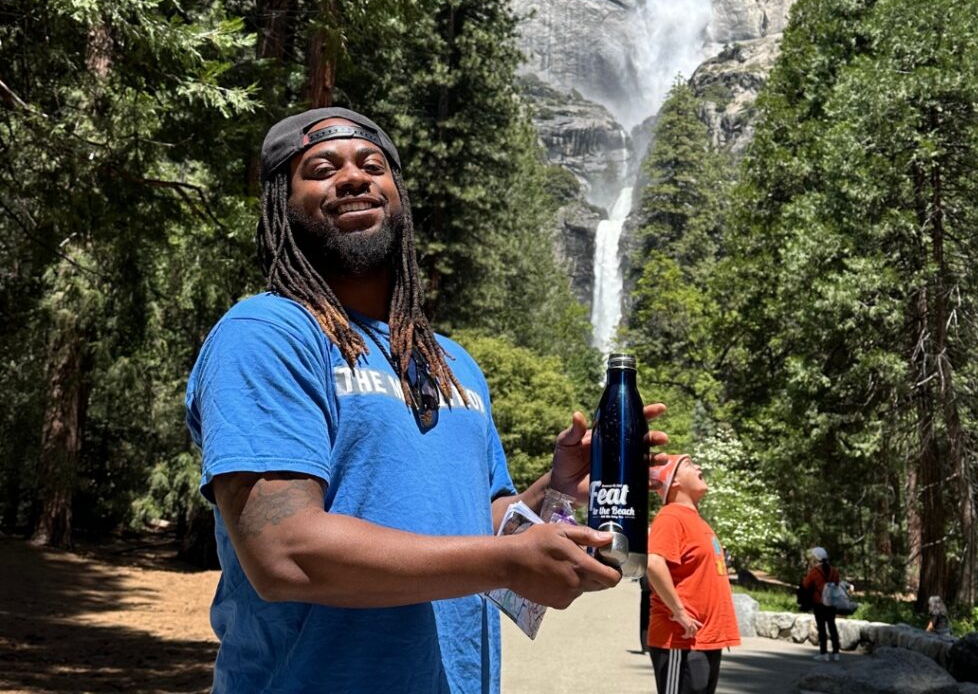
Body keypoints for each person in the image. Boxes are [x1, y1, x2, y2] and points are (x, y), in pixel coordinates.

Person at [185, 106, 668, 694]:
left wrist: (560, 489)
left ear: (398, 194)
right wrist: (508, 563)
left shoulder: (450, 362)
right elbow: (284, 554)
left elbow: (483, 524)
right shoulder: (266, 335)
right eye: (321, 168)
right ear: (281, 203)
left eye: (372, 164)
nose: (354, 177)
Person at [645, 453, 741, 694]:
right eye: (688, 464)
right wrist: (680, 612)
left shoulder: (697, 520)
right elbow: (654, 563)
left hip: (705, 640)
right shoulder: (670, 516)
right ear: (673, 481)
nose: (699, 466)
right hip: (680, 640)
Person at [803, 546, 841, 661]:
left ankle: (824, 653)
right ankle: (836, 653)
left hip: (819, 602)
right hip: (832, 603)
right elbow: (837, 583)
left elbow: (806, 584)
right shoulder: (834, 571)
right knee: (832, 626)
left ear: (816, 558)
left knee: (822, 628)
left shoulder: (814, 571)